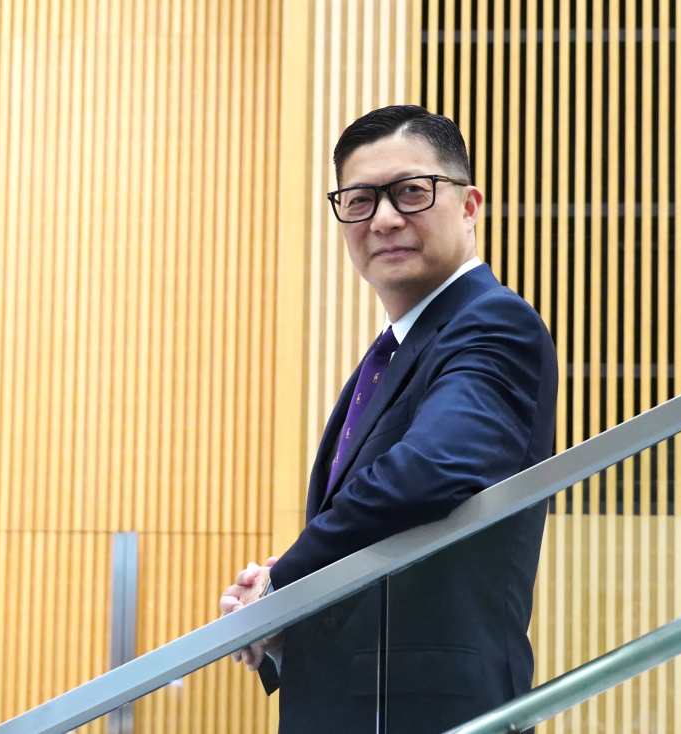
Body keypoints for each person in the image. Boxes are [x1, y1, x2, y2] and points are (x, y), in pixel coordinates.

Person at [218, 104, 557, 733]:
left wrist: (283, 582)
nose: (384, 219)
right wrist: (285, 612)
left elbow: (430, 469)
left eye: (411, 192)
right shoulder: (396, 353)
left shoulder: (492, 322)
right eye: (360, 200)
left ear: (469, 205)